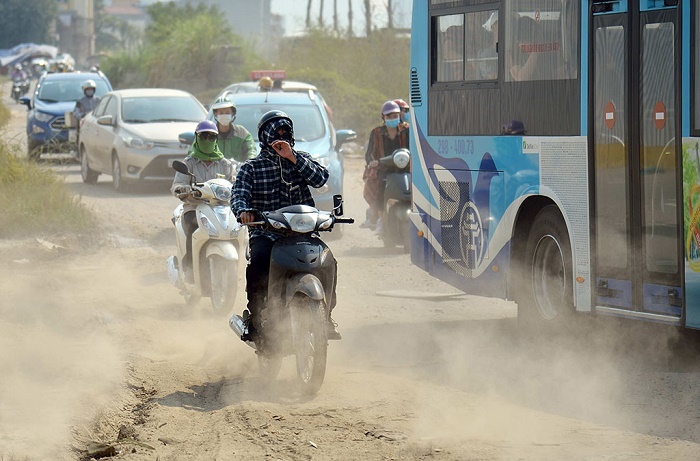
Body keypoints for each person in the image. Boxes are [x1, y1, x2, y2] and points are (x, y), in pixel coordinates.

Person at [231, 110, 341, 340]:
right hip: (266, 234)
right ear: (264, 137)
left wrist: (293, 157)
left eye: (285, 132)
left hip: (303, 233)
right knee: (259, 263)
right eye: (276, 132)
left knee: (328, 260)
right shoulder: (251, 168)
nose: (281, 137)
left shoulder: (300, 160)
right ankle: (257, 319)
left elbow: (321, 179)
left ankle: (325, 316)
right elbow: (239, 196)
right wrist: (243, 212)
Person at [171, 120, 235, 283]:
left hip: (221, 209)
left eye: (212, 136)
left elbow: (235, 183)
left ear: (216, 139)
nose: (207, 140)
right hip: (195, 207)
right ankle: (190, 269)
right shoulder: (189, 163)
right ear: (197, 138)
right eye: (203, 136)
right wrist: (183, 189)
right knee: (193, 228)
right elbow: (176, 185)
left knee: (241, 229)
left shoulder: (226, 165)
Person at [361, 100, 409, 233]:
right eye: (389, 116)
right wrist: (373, 162)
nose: (393, 119)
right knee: (380, 188)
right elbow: (370, 154)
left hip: (405, 168)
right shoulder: (376, 133)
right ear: (383, 117)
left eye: (395, 116)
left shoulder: (407, 130)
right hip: (385, 169)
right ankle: (381, 219)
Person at [210, 95, 257, 162]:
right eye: (221, 113)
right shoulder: (208, 133)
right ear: (215, 114)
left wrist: (250, 162)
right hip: (213, 171)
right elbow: (195, 151)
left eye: (227, 113)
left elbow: (251, 149)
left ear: (233, 113)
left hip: (237, 171)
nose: (224, 115)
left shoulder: (241, 132)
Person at [478, 11, 498, 79]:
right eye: (499, 23)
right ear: (493, 27)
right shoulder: (484, 54)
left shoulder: (515, 51)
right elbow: (491, 77)